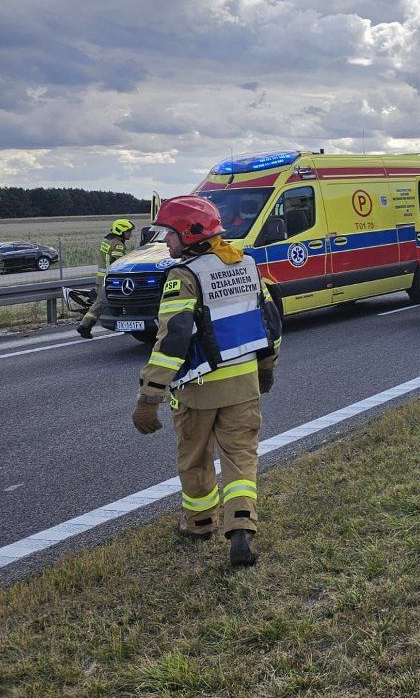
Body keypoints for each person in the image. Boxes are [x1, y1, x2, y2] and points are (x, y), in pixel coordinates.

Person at [131, 196, 280, 569]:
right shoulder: (246, 264)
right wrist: (267, 368)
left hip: (198, 390)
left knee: (195, 457)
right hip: (244, 384)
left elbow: (173, 339)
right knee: (241, 458)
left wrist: (150, 395)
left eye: (169, 235)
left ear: (189, 234)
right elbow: (270, 322)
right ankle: (242, 527)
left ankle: (199, 524)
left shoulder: (185, 276)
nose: (165, 242)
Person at [76, 218, 136, 339]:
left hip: (101, 279)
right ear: (121, 231)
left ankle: (125, 326)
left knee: (105, 303)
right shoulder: (118, 245)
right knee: (100, 304)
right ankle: (84, 326)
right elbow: (122, 263)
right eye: (128, 231)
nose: (130, 233)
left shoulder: (107, 241)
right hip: (109, 281)